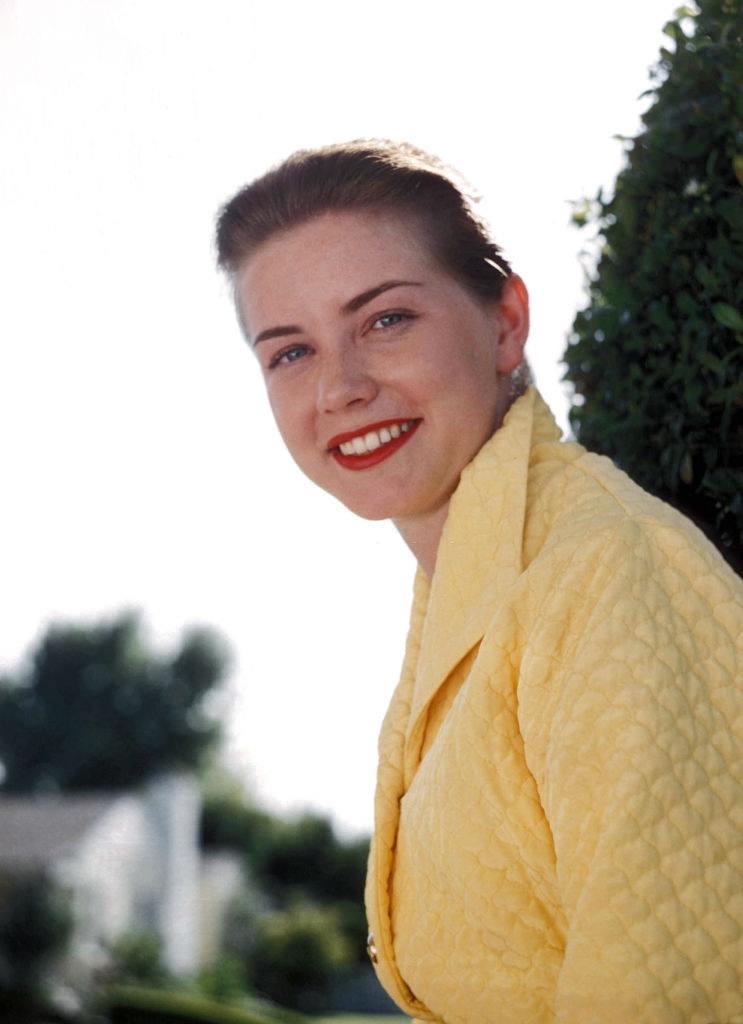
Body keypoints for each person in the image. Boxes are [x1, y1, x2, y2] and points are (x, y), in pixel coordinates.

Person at [215, 141, 743, 1024]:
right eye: (290, 352)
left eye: (384, 320)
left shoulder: (605, 572)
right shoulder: (469, 605)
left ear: (503, 323)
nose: (340, 387)